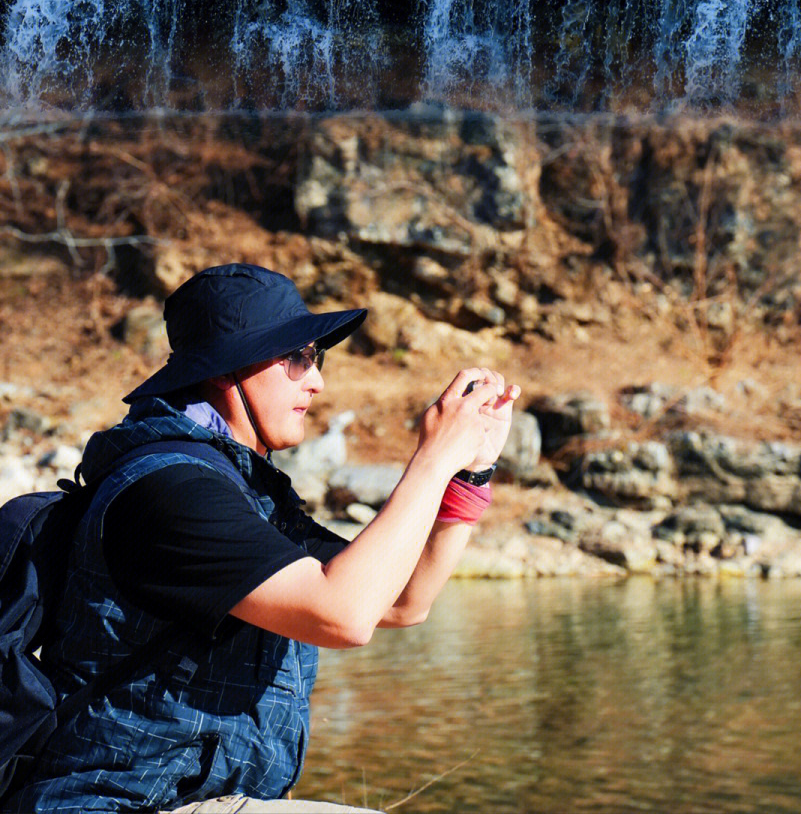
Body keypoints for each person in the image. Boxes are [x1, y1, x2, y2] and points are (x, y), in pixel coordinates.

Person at [10, 263, 519, 814]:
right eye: (298, 357)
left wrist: (468, 473)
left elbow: (399, 600)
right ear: (230, 371)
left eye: (316, 358)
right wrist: (435, 453)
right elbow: (342, 614)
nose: (318, 380)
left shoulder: (247, 493)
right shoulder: (169, 491)